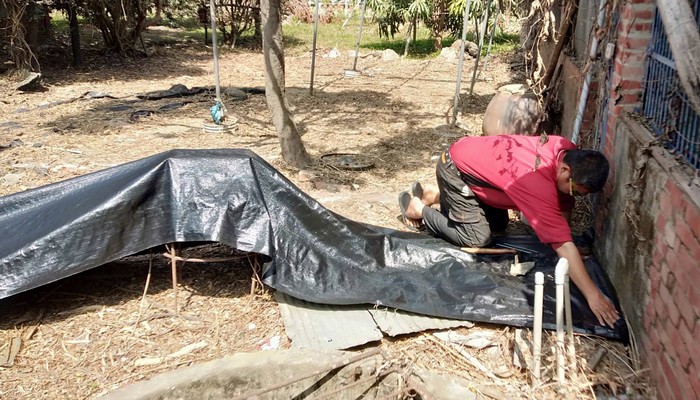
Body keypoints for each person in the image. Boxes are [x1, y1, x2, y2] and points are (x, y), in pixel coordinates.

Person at [398, 134, 620, 328]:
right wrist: (593, 296)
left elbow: (561, 211)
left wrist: (565, 238)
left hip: (476, 169)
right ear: (565, 170)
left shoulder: (565, 150)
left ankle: (435, 194)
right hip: (455, 169)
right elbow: (562, 243)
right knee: (476, 237)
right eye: (576, 191)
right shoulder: (537, 183)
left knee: (498, 227)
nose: (575, 197)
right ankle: (418, 209)